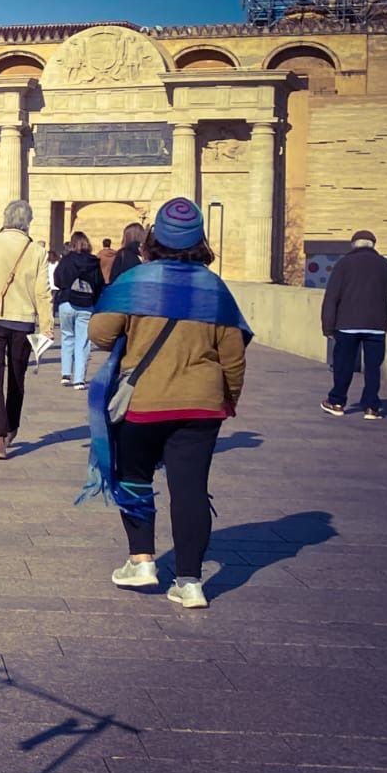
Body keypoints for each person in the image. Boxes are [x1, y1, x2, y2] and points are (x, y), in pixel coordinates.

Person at [85, 197, 249, 610]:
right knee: (191, 490)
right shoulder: (214, 287)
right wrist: (228, 398)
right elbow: (233, 354)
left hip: (144, 401)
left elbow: (101, 334)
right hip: (201, 405)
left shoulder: (138, 280)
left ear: (156, 237)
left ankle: (142, 561)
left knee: (134, 478)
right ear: (200, 241)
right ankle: (191, 583)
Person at [0, 200, 54, 459]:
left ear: (5, 218)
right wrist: (47, 325)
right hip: (24, 321)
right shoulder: (37, 251)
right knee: (18, 379)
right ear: (27, 222)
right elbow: (43, 292)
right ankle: (11, 427)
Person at [321, 229, 387, 419]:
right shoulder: (385, 265)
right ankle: (371, 407)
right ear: (373, 245)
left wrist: (328, 325)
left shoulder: (343, 264)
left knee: (343, 364)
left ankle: (337, 402)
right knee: (373, 367)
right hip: (376, 326)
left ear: (353, 245)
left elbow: (332, 297)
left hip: (347, 324)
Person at [53, 231, 107, 389]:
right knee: (83, 341)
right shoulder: (93, 262)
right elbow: (99, 283)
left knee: (67, 337)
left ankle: (65, 374)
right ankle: (79, 379)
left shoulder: (66, 260)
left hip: (66, 302)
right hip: (86, 305)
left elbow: (57, 279)